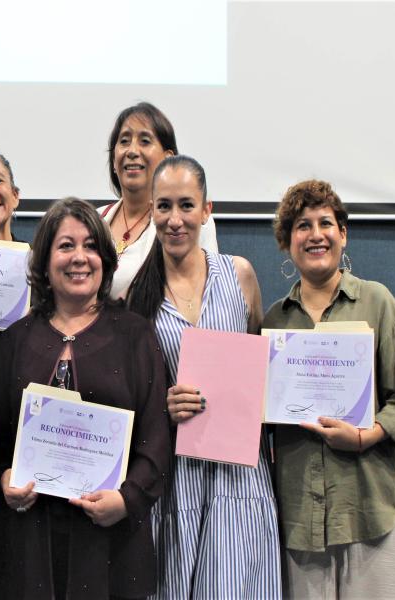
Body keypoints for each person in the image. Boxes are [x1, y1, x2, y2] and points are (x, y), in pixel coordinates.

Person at [0, 197, 171, 599]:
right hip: (32, 538)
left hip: (111, 543)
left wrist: (126, 499)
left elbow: (157, 437)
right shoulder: (16, 339)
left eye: (90, 246)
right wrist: (4, 479)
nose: (79, 258)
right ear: (45, 261)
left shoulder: (135, 335)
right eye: (66, 246)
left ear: (105, 258)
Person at [262, 179, 395, 599]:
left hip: (371, 516)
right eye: (302, 225)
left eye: (325, 223)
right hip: (300, 526)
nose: (315, 234)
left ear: (343, 234)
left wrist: (363, 437)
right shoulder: (274, 323)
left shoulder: (377, 302)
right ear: (287, 241)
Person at [125, 155, 281, 598]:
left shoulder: (239, 276)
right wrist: (164, 405)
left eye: (186, 205)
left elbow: (259, 371)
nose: (175, 219)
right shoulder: (138, 296)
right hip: (177, 482)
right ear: (151, 211)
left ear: (206, 210)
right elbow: (134, 396)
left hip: (239, 480)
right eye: (164, 206)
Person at [101, 102, 218, 299]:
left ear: (168, 159)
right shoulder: (93, 221)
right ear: (114, 160)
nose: (132, 151)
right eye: (124, 141)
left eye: (145, 141)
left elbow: (208, 296)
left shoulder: (193, 223)